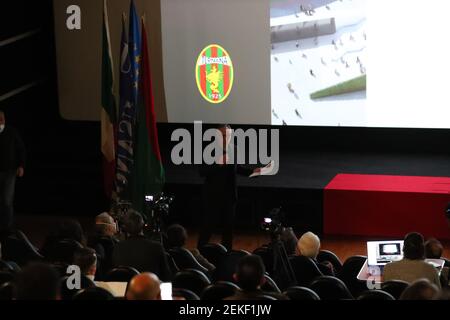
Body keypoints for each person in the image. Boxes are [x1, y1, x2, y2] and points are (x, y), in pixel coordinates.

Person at [198, 124, 261, 250]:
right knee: (208, 227)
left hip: (230, 196)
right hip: (213, 196)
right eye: (223, 135)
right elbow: (202, 171)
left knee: (228, 229)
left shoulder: (234, 149)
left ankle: (227, 255)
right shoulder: (209, 150)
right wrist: (219, 163)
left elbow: (237, 169)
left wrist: (255, 172)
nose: (226, 137)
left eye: (228, 135)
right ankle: (199, 253)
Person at [112, 210, 172, 281]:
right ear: (143, 225)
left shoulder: (117, 248)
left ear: (125, 228)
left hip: (121, 291)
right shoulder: (157, 247)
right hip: (150, 290)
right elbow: (167, 278)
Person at [0, 110, 25, 231]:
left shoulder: (12, 132)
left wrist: (21, 165)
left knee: (6, 200)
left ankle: (7, 227)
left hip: (9, 171)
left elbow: (21, 149)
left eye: (2, 118)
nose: (1, 121)